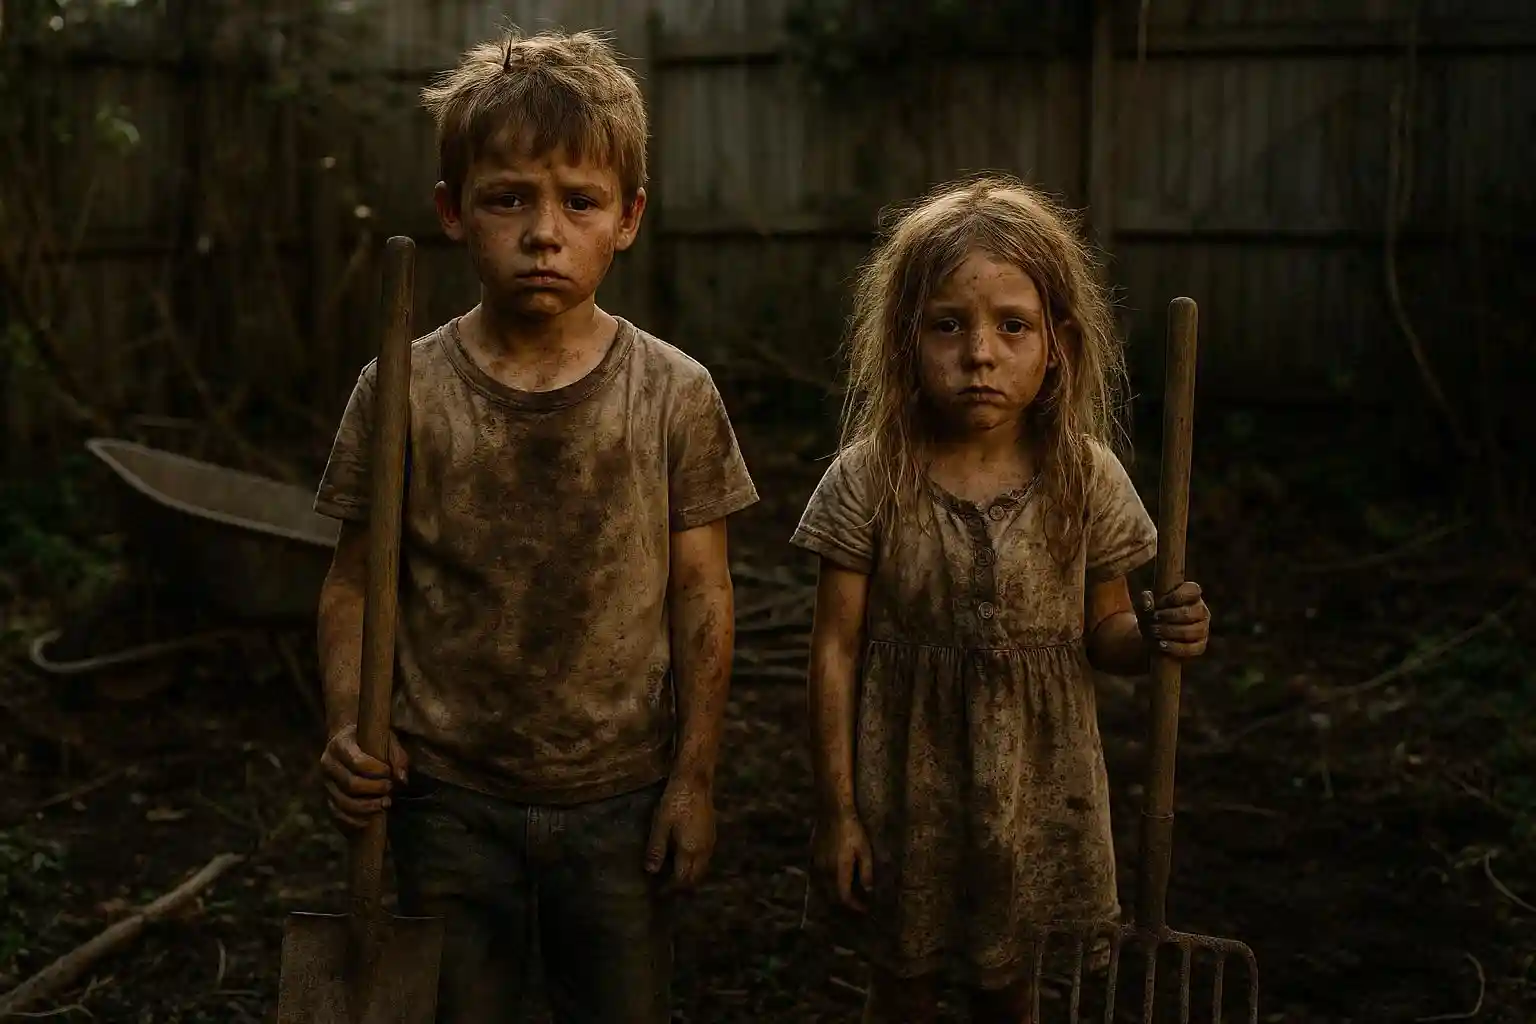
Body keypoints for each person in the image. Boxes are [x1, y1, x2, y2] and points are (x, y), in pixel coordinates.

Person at [310, 28, 758, 1023]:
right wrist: (350, 726)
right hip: (446, 797)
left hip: (620, 798)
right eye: (509, 197)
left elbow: (702, 593)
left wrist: (694, 778)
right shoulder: (403, 390)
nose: (543, 231)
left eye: (579, 201)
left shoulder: (674, 394)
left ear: (629, 218)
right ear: (453, 212)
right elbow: (353, 583)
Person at [792, 175, 1212, 1023]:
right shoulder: (871, 477)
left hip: (1037, 787)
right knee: (902, 984)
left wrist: (1160, 633)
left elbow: (1109, 633)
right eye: (949, 325)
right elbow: (834, 649)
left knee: (1011, 986)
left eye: (1011, 327)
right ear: (908, 339)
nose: (979, 353)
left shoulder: (1082, 477)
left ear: (1055, 343)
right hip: (906, 787)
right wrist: (838, 812)